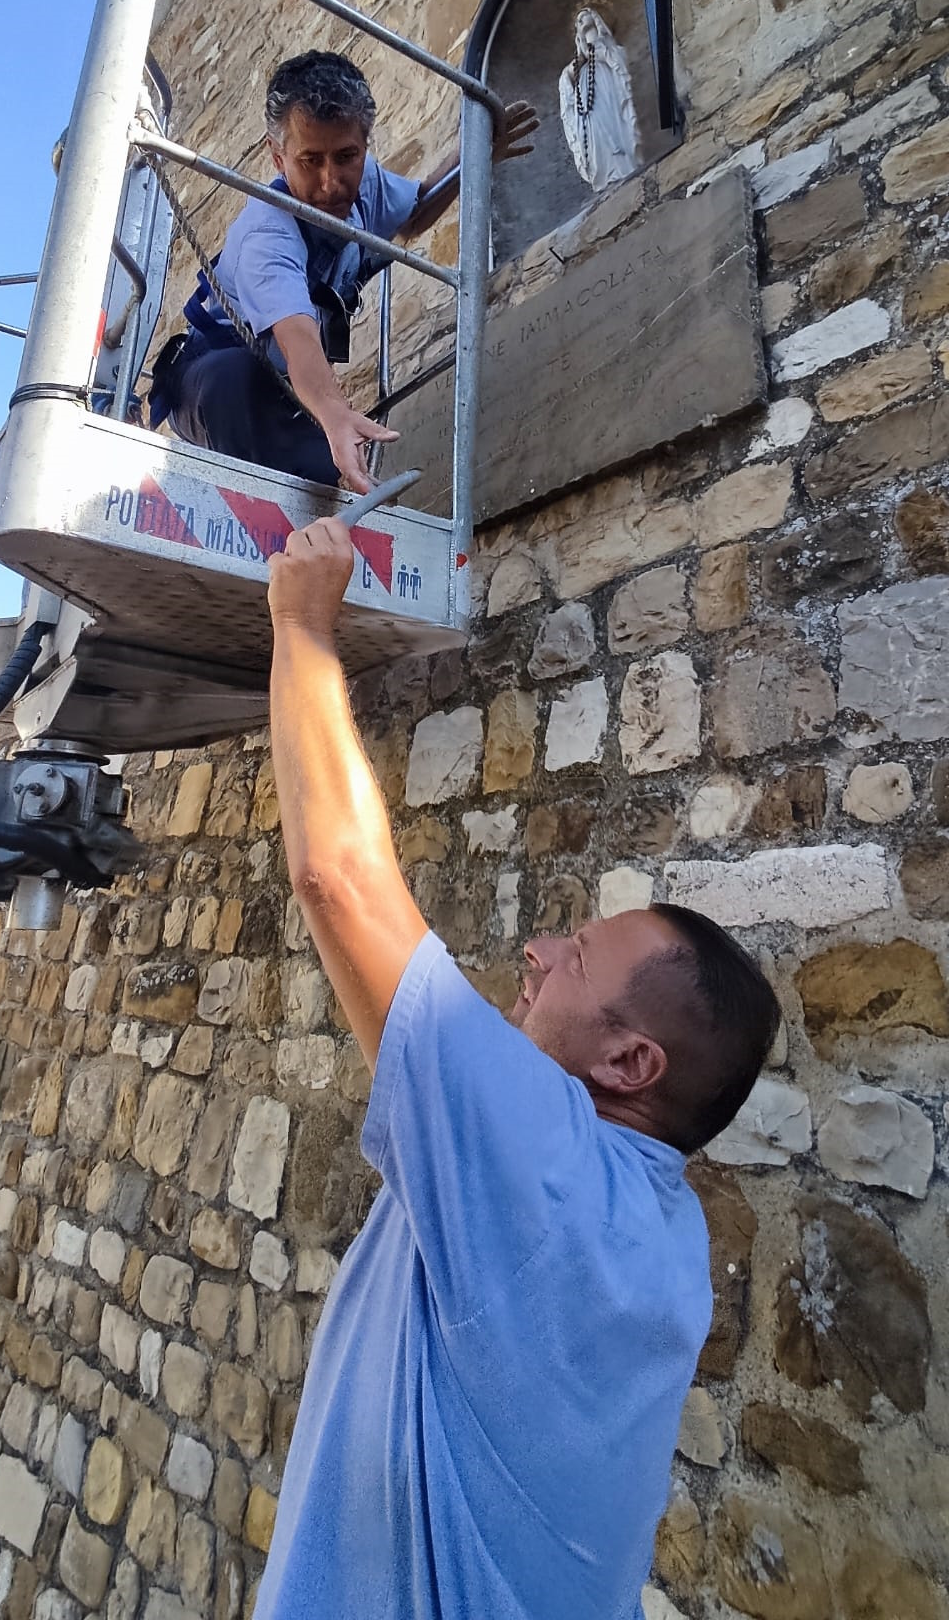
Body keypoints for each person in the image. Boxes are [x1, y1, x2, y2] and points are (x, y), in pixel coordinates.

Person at [259, 515, 782, 1620]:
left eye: (578, 954)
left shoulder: (549, 1180)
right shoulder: (653, 1233)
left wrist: (303, 620)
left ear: (632, 1060)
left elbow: (340, 877)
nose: (540, 947)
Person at [149, 50, 537, 493]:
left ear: (364, 145)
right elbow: (297, 340)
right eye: (310, 161)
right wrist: (333, 412)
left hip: (286, 392)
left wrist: (472, 158)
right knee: (243, 388)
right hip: (210, 380)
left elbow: (412, 215)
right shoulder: (266, 234)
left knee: (328, 474)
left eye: (346, 156)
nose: (331, 183)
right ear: (278, 158)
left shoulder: (366, 180)